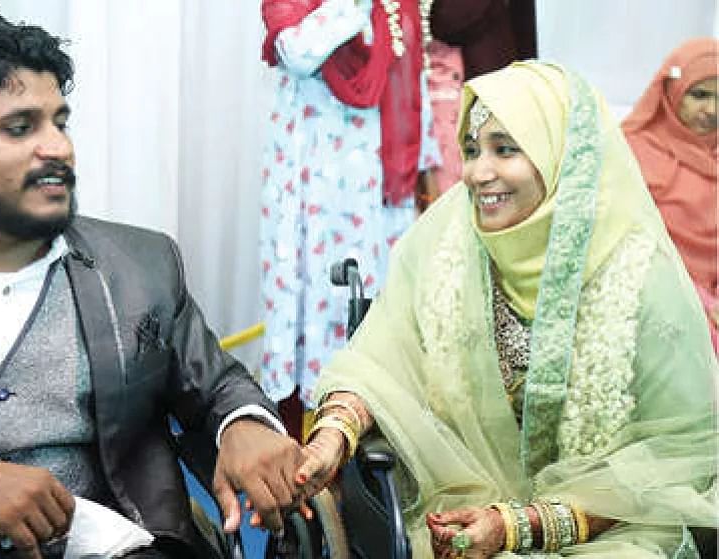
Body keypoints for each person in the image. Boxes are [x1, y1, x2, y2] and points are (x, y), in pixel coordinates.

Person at [0, 13, 306, 559]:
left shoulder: (140, 265)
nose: (57, 147)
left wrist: (244, 424)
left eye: (60, 123)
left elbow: (217, 386)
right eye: (20, 127)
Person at [295, 61, 718, 558]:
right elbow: (380, 361)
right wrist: (330, 439)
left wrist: (522, 526)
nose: (478, 173)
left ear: (560, 154)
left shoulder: (639, 275)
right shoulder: (445, 243)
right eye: (472, 150)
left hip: (611, 532)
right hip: (454, 516)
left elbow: (680, 454)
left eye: (505, 149)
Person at [259, 0, 443, 433]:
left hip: (381, 193)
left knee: (379, 306)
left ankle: (365, 427)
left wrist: (426, 170)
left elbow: (412, 77)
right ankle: (301, 436)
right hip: (312, 192)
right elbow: (297, 51)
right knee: (312, 310)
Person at [622, 38, 718, 353]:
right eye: (699, 95)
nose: (712, 111)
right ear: (671, 91)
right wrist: (701, 302)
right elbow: (625, 244)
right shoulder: (630, 152)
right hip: (655, 303)